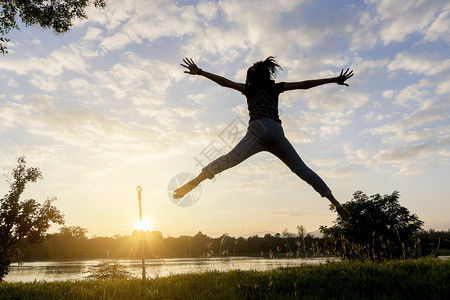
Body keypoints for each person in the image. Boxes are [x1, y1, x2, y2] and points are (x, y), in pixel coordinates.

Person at [174, 57, 353, 222]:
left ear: (251, 79)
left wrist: (200, 72)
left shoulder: (249, 89)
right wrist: (333, 79)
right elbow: (305, 84)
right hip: (276, 131)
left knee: (230, 159)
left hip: (257, 131)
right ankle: (335, 202)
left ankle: (195, 181)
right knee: (302, 169)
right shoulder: (275, 87)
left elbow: (224, 83)